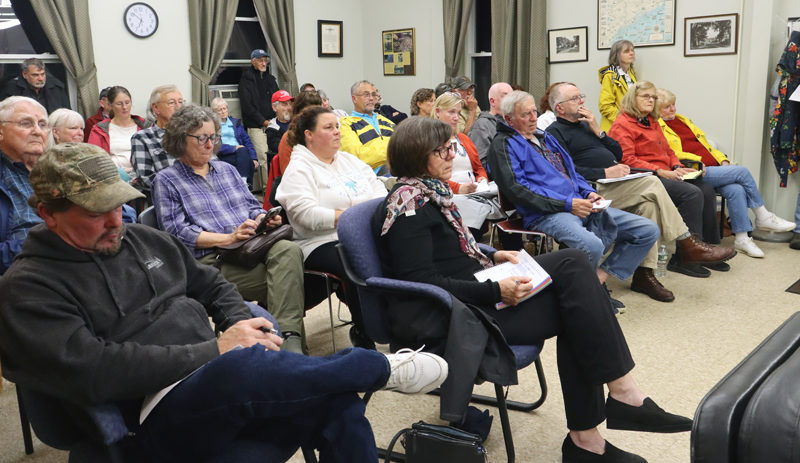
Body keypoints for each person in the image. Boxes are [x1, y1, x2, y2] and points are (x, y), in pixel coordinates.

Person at [0, 141, 448, 462]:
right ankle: (380, 369)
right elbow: (96, 371)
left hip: (213, 382)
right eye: (96, 213)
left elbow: (211, 286)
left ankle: (352, 373)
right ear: (47, 213)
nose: (115, 221)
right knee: (245, 365)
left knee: (334, 399)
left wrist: (241, 324)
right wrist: (215, 350)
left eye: (119, 206)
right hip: (147, 416)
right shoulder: (29, 288)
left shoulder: (141, 239)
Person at [376, 116, 692, 463]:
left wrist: (493, 253)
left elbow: (448, 251)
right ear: (415, 155)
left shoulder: (430, 191)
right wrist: (497, 291)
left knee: (576, 282)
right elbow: (423, 281)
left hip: (477, 287)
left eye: (451, 146)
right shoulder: (408, 204)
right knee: (577, 297)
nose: (452, 155)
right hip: (454, 315)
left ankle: (603, 423)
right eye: (441, 150)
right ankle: (607, 417)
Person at [546, 83, 736, 300]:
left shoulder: (586, 125)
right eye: (574, 98)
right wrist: (605, 172)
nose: (581, 101)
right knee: (653, 183)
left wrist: (598, 131)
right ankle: (687, 243)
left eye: (581, 96)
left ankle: (644, 274)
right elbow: (562, 172)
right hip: (592, 190)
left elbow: (616, 151)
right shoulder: (554, 133)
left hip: (618, 183)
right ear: (559, 108)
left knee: (649, 206)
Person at [152, 104, 308, 353]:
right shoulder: (167, 180)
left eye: (213, 137)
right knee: (289, 279)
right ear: (181, 140)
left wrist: (263, 218)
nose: (209, 144)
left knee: (288, 250)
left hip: (248, 248)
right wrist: (227, 238)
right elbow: (176, 233)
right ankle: (289, 344)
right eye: (202, 138)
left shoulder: (226, 170)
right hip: (211, 263)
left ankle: (282, 343)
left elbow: (251, 206)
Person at [489, 91, 660, 310]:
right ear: (509, 119)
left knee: (647, 230)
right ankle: (584, 299)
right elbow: (518, 190)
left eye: (534, 111)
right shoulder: (503, 144)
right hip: (546, 213)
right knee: (592, 245)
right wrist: (567, 205)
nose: (533, 118)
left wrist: (588, 192)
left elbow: (571, 172)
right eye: (525, 114)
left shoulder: (544, 137)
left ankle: (595, 283)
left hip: (579, 204)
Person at [276, 106, 388, 349]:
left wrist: (358, 218)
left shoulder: (349, 161)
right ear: (309, 135)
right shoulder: (299, 169)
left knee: (399, 246)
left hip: (361, 233)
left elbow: (379, 191)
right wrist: (353, 216)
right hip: (318, 242)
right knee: (356, 258)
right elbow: (305, 215)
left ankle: (399, 323)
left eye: (337, 126)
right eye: (328, 128)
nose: (337, 132)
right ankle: (365, 332)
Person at [609, 81, 736, 275]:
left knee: (706, 190)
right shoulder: (623, 124)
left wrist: (677, 165)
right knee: (691, 194)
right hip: (645, 177)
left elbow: (668, 150)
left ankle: (708, 247)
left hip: (667, 171)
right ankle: (684, 257)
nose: (651, 100)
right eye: (646, 96)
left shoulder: (651, 121)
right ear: (632, 99)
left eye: (653, 97)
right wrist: (659, 171)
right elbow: (627, 159)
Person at [657, 88, 795, 257]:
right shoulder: (658, 127)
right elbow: (671, 153)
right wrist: (697, 160)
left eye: (673, 104)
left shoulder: (682, 120)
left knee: (736, 189)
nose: (673, 109)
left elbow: (705, 144)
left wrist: (722, 159)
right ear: (656, 109)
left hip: (713, 167)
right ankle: (762, 215)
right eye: (667, 107)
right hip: (695, 170)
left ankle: (742, 238)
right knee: (742, 172)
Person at [0, 96, 47, 275]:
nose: (37, 131)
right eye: (26, 123)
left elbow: (118, 211)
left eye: (43, 124)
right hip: (19, 272)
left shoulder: (61, 166)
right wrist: (46, 244)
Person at [430, 92, 487, 194]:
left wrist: (482, 179)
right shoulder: (430, 140)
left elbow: (479, 168)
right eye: (451, 112)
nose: (456, 117)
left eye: (459, 113)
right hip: (448, 195)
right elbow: (430, 176)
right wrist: (458, 188)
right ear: (438, 112)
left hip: (476, 192)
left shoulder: (464, 138)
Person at [130, 84, 184, 191]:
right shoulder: (142, 138)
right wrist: (183, 187)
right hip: (170, 194)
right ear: (155, 108)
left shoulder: (191, 132)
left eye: (181, 102)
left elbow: (212, 163)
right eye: (171, 103)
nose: (178, 107)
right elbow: (146, 178)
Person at [87, 86, 147, 182]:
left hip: (142, 175)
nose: (124, 107)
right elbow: (94, 159)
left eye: (127, 103)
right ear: (111, 105)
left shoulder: (145, 125)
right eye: (119, 104)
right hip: (114, 177)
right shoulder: (99, 129)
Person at [239, 48, 279, 188]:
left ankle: (278, 188)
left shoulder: (270, 79)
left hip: (273, 124)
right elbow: (247, 106)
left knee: (276, 155)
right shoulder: (246, 79)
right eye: (260, 60)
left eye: (265, 60)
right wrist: (263, 121)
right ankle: (267, 189)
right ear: (253, 61)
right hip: (257, 126)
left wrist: (274, 120)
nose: (264, 63)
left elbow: (277, 100)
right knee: (263, 156)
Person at [339, 80, 395, 170]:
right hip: (374, 175)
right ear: (354, 99)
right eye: (366, 95)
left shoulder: (384, 120)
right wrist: (393, 150)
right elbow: (358, 158)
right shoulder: (347, 124)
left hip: (399, 167)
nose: (371, 98)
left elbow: (404, 144)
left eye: (373, 94)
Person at [210, 97, 257, 188]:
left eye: (224, 108)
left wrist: (254, 158)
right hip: (225, 154)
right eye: (219, 110)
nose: (223, 111)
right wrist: (234, 148)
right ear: (214, 112)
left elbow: (247, 141)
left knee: (246, 155)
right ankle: (245, 184)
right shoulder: (213, 126)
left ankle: (242, 184)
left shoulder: (236, 123)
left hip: (241, 153)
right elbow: (215, 146)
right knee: (247, 160)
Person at [468, 81, 513, 170]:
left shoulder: (514, 123)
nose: (511, 101)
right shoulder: (482, 125)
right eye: (506, 96)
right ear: (492, 102)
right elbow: (480, 165)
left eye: (512, 97)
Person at [0, 58, 69, 114]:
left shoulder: (56, 87)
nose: (40, 79)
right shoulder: (11, 89)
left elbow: (67, 113)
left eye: (43, 74)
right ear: (25, 74)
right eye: (35, 75)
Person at [598, 40, 637, 132]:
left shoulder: (631, 73)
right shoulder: (610, 76)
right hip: (615, 127)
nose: (631, 53)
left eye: (632, 50)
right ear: (617, 55)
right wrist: (624, 120)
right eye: (627, 51)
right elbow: (605, 106)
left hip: (630, 124)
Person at [266, 90, 294, 158]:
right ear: (275, 107)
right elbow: (283, 151)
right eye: (284, 104)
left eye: (290, 104)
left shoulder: (299, 122)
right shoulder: (272, 130)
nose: (289, 108)